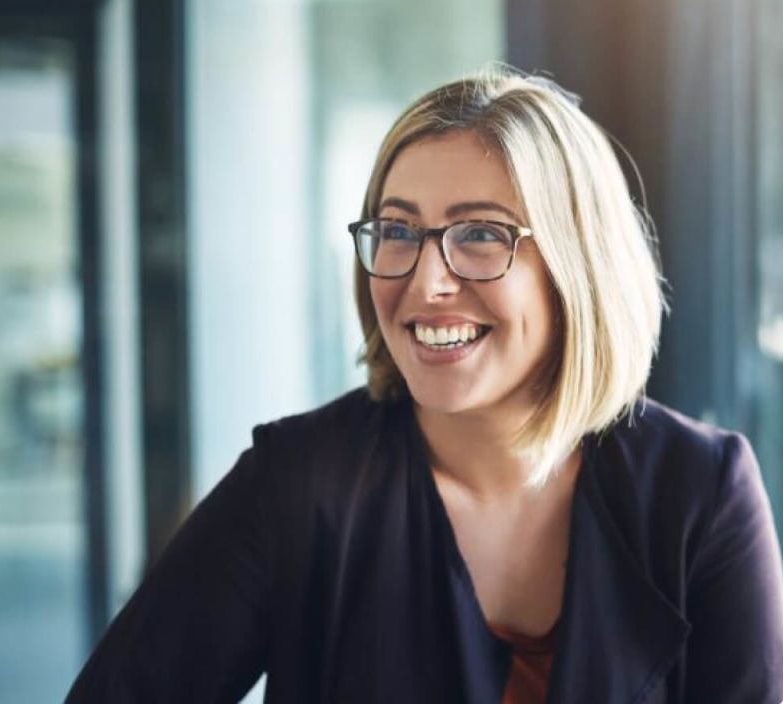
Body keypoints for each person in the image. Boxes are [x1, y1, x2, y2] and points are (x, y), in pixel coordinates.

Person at [66, 66, 783, 703]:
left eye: (479, 234)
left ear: (577, 267)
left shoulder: (701, 491)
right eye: (400, 232)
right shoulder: (297, 483)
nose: (426, 280)